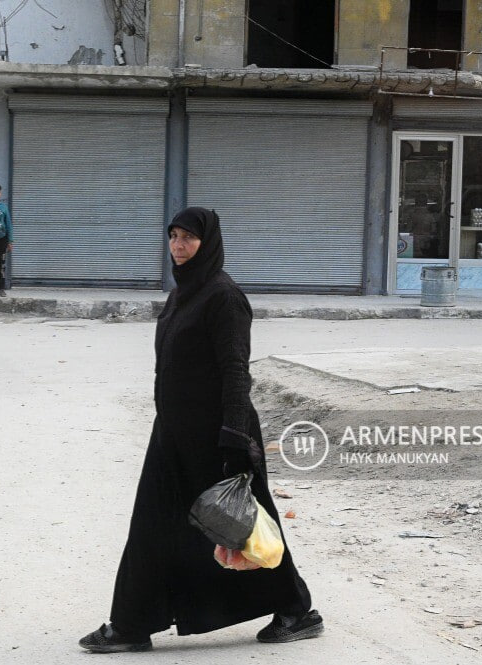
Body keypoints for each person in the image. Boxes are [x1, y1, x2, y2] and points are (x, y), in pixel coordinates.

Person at [78, 207, 322, 654]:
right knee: (153, 523)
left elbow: (235, 371)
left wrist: (232, 440)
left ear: (207, 242)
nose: (178, 245)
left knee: (243, 526)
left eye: (188, 237)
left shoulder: (224, 297)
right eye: (172, 236)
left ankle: (296, 610)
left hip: (216, 436)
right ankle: (133, 623)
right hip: (173, 434)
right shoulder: (181, 294)